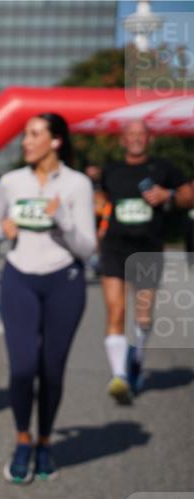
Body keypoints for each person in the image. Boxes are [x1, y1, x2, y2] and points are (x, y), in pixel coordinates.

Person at [0, 113, 96, 483]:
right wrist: (1, 230)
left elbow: (87, 248)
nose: (25, 142)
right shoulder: (12, 181)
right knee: (21, 368)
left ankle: (45, 442)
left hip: (64, 281)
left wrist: (63, 217)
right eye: (25, 135)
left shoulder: (78, 185)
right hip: (19, 279)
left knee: (51, 371)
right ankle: (21, 440)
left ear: (56, 141)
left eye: (34, 135)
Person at [98, 120, 192, 404]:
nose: (136, 139)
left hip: (147, 248)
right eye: (131, 134)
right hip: (114, 247)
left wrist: (170, 195)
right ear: (123, 140)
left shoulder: (164, 169)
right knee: (116, 310)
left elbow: (189, 195)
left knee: (142, 315)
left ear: (149, 139)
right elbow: (101, 198)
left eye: (142, 134)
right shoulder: (111, 170)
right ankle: (119, 377)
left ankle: (136, 355)